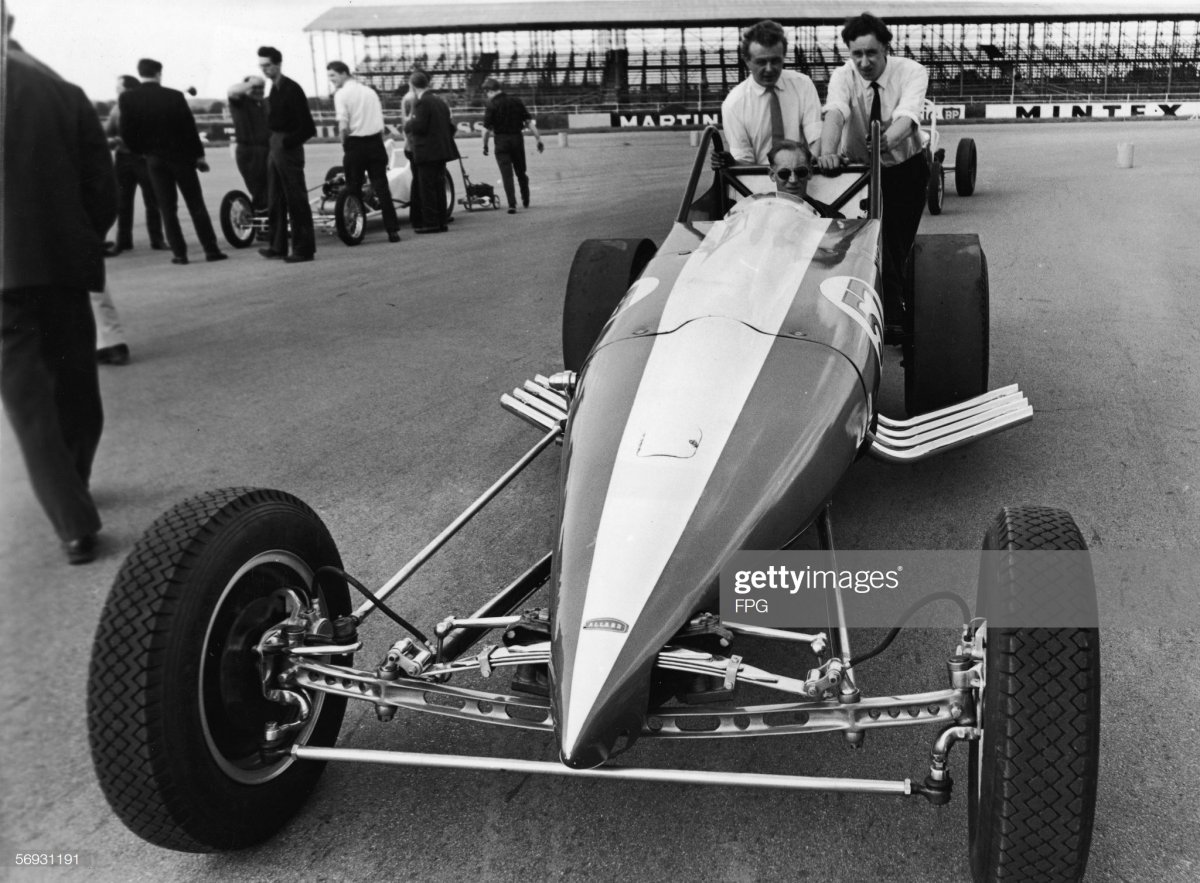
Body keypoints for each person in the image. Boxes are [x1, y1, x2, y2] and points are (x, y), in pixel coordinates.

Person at [3, 21, 117, 564]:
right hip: (64, 262)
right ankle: (75, 480)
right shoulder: (62, 90)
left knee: (30, 404)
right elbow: (102, 185)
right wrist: (82, 237)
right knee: (76, 384)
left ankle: (74, 524)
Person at [817, 12, 929, 320]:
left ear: (886, 49)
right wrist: (827, 152)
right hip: (861, 174)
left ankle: (898, 311)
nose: (864, 62)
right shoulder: (843, 76)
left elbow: (907, 118)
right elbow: (836, 113)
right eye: (857, 54)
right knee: (865, 243)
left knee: (896, 244)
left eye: (871, 53)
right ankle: (885, 311)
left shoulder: (912, 71)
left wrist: (885, 141)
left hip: (905, 168)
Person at [118, 58, 227, 265]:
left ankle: (180, 253)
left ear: (140, 73)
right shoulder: (174, 96)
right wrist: (199, 156)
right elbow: (189, 128)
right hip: (181, 158)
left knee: (167, 208)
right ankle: (211, 249)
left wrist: (141, 151)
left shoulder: (128, 98)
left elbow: (126, 131)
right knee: (196, 204)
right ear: (159, 73)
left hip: (154, 159)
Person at [716, 20, 822, 167]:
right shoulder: (733, 104)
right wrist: (731, 162)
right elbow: (744, 161)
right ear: (747, 61)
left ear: (784, 56)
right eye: (761, 62)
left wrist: (807, 168)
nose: (769, 69)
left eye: (775, 61)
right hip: (759, 181)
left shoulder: (803, 85)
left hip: (803, 177)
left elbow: (816, 139)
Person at [327, 61, 400, 243]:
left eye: (333, 76)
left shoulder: (342, 94)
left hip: (355, 144)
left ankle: (357, 229)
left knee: (353, 189)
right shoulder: (370, 92)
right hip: (375, 143)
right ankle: (392, 230)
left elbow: (343, 125)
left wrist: (345, 145)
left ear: (344, 73)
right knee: (382, 188)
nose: (331, 80)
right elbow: (381, 124)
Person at [257, 45, 318, 262]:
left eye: (267, 65)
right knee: (274, 198)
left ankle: (304, 249)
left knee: (296, 199)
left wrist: (287, 143)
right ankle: (277, 246)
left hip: (287, 145)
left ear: (278, 64)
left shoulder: (292, 89)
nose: (264, 70)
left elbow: (308, 127)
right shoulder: (273, 88)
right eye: (261, 66)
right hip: (275, 144)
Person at [104, 74, 165, 255]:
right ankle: (123, 241)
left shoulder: (145, 107)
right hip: (123, 159)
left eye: (119, 88)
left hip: (143, 158)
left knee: (152, 201)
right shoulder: (115, 109)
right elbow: (108, 133)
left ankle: (157, 240)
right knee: (122, 202)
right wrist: (112, 140)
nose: (117, 91)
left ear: (129, 89)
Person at [402, 70, 457, 233]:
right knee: (439, 186)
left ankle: (431, 223)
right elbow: (450, 127)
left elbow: (419, 126)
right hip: (441, 150)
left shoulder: (422, 102)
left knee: (427, 188)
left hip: (427, 152)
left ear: (412, 85)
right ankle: (441, 221)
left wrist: (408, 124)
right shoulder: (440, 102)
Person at [480, 77, 543, 214]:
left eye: (486, 92)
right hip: (517, 139)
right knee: (521, 171)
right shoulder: (516, 101)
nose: (486, 94)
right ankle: (525, 198)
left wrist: (485, 145)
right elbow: (528, 122)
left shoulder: (491, 105)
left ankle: (512, 204)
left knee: (506, 174)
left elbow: (486, 131)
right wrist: (538, 139)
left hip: (501, 142)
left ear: (490, 90)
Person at [227, 74, 270, 217]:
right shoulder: (239, 101)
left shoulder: (265, 103)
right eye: (254, 87)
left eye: (261, 87)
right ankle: (263, 220)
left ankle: (273, 218)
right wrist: (250, 84)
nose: (258, 90)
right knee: (258, 189)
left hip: (268, 149)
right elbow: (232, 91)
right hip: (249, 150)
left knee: (273, 187)